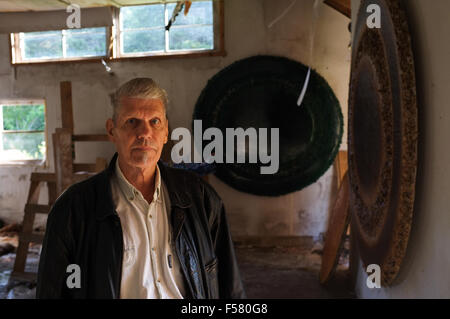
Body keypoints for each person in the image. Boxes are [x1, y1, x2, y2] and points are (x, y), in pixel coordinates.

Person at [36, 78, 245, 299]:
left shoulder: (200, 198)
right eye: (132, 121)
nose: (144, 132)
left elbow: (229, 284)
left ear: (166, 132)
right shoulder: (73, 208)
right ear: (112, 130)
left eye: (154, 122)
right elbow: (52, 290)